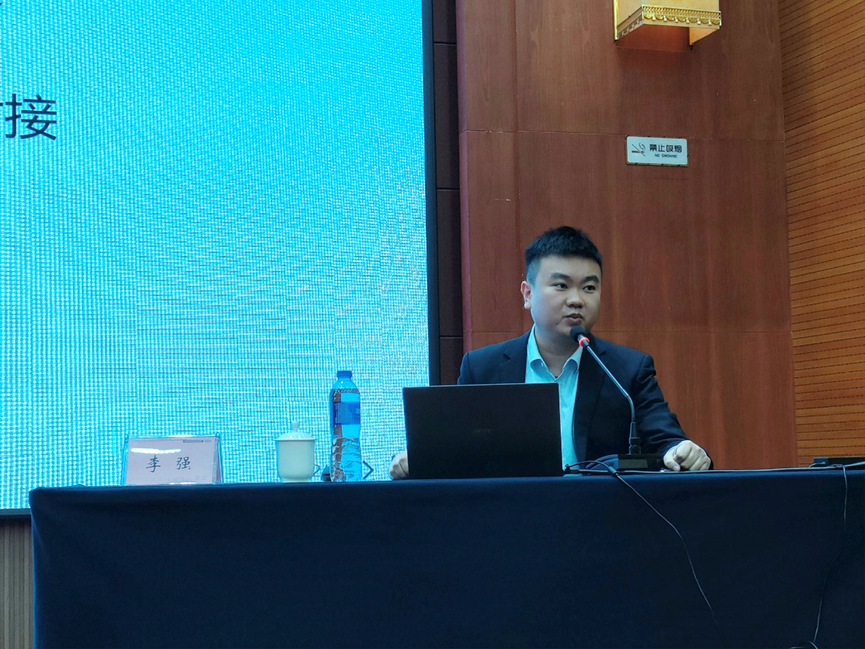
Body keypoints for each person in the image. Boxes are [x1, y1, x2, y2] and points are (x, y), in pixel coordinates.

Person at [390, 226, 711, 479]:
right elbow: (456, 449)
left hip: (601, 520)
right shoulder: (483, 366)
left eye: (589, 287)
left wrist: (682, 450)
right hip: (508, 520)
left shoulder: (627, 369)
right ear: (527, 294)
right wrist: (419, 459)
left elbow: (666, 439)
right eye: (561, 285)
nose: (577, 300)